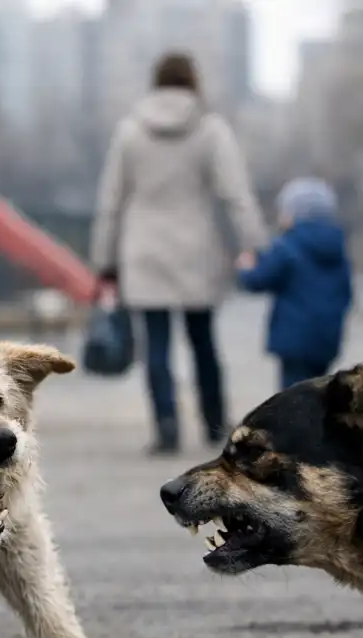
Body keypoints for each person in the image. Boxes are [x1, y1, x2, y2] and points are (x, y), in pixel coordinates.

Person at [90, 52, 267, 455]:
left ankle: (167, 426)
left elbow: (111, 201)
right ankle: (214, 423)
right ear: (193, 82)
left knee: (156, 344)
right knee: (203, 340)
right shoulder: (210, 129)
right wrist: (256, 244)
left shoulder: (130, 132)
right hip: (195, 249)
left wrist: (105, 260)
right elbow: (236, 193)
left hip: (143, 249)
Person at [236, 177, 353, 390]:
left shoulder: (288, 246)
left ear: (295, 214)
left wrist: (246, 268)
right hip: (326, 339)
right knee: (320, 394)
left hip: (294, 340)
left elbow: (260, 279)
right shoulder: (338, 250)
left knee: (292, 397)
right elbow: (347, 294)